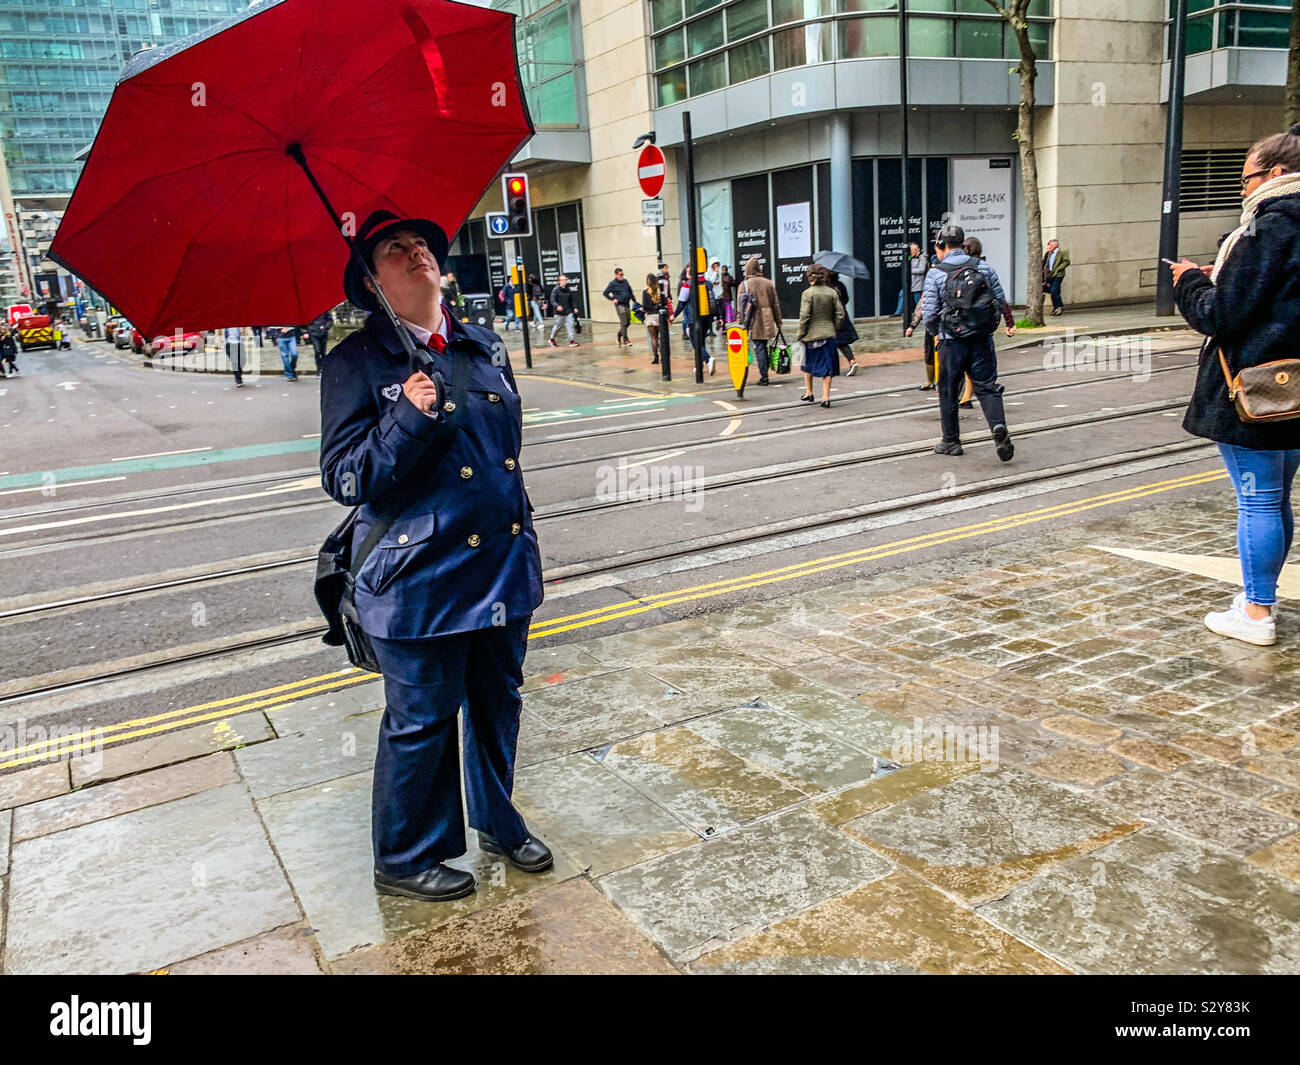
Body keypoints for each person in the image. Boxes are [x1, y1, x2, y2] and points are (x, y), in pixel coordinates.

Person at [320, 210, 550, 903]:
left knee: (496, 703)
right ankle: (404, 854)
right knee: (420, 721)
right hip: (418, 578)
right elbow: (345, 477)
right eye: (396, 248)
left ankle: (498, 822)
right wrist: (406, 420)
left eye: (421, 243)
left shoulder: (483, 346)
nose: (417, 251)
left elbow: (502, 459)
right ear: (372, 281)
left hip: (501, 565)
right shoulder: (355, 364)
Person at [1169, 127, 1300, 647]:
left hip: (1257, 390)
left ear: (1274, 174)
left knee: (1259, 501)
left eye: (1245, 176)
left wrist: (1189, 281)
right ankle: (1259, 596)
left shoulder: (1266, 230)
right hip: (1296, 387)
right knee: (1278, 498)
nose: (1242, 188)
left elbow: (1220, 315)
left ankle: (1255, 612)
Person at [921, 224, 1015, 461]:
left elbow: (929, 312)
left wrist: (936, 333)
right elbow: (1000, 300)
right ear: (962, 244)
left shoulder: (936, 272)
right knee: (986, 386)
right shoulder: (983, 267)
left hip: (951, 341)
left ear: (941, 246)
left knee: (949, 391)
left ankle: (951, 441)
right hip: (981, 338)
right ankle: (997, 426)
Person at [797, 263, 845, 407]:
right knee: (828, 367)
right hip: (828, 334)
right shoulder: (832, 292)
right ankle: (825, 397)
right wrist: (833, 328)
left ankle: (809, 392)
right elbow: (840, 314)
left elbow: (804, 316)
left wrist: (801, 333)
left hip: (810, 335)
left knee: (806, 364)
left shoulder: (807, 294)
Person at [737, 255, 781, 386]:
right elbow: (775, 304)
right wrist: (779, 321)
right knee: (764, 346)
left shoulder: (744, 285)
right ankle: (765, 372)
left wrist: (740, 321)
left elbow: (741, 306)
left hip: (754, 319)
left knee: (759, 347)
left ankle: (764, 377)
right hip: (767, 318)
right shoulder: (769, 283)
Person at [671, 268, 715, 374]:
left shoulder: (687, 285)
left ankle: (708, 360)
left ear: (690, 274)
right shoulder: (708, 283)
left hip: (693, 318)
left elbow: (681, 303)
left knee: (695, 342)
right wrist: (719, 317)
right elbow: (716, 299)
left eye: (687, 272)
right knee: (701, 341)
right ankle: (699, 366)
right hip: (707, 317)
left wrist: (674, 315)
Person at [828, 270, 860, 377]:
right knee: (842, 343)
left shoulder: (827, 288)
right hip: (843, 316)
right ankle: (852, 361)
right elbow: (846, 299)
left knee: (831, 342)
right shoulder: (840, 285)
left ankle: (833, 367)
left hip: (831, 318)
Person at [603, 267, 635, 346]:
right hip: (619, 305)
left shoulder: (625, 282)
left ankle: (620, 333)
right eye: (620, 275)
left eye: (623, 274)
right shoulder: (612, 284)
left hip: (627, 304)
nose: (622, 276)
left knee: (628, 321)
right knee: (623, 322)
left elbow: (630, 291)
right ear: (616, 275)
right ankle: (626, 339)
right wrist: (613, 299)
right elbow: (605, 293)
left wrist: (634, 300)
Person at [548, 274, 579, 347]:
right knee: (558, 326)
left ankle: (572, 340)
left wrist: (574, 307)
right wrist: (557, 306)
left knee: (570, 325)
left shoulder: (568, 289)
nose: (564, 281)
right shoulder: (555, 290)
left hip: (568, 311)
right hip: (559, 313)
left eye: (565, 280)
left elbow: (572, 299)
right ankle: (552, 339)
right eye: (562, 280)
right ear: (559, 281)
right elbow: (552, 300)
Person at [641, 272, 665, 364]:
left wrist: (643, 309)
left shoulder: (645, 292)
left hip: (650, 317)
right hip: (659, 316)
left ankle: (656, 357)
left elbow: (645, 306)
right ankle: (663, 356)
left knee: (653, 338)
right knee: (660, 337)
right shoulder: (659, 291)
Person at [1042, 238, 1070, 316]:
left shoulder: (1062, 252)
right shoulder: (1048, 253)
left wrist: (1058, 269)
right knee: (1055, 291)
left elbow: (1067, 261)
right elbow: (1044, 264)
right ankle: (1059, 307)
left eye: (1051, 245)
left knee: (1053, 291)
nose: (1049, 246)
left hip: (1058, 274)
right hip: (1050, 275)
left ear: (1055, 245)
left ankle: (1057, 307)